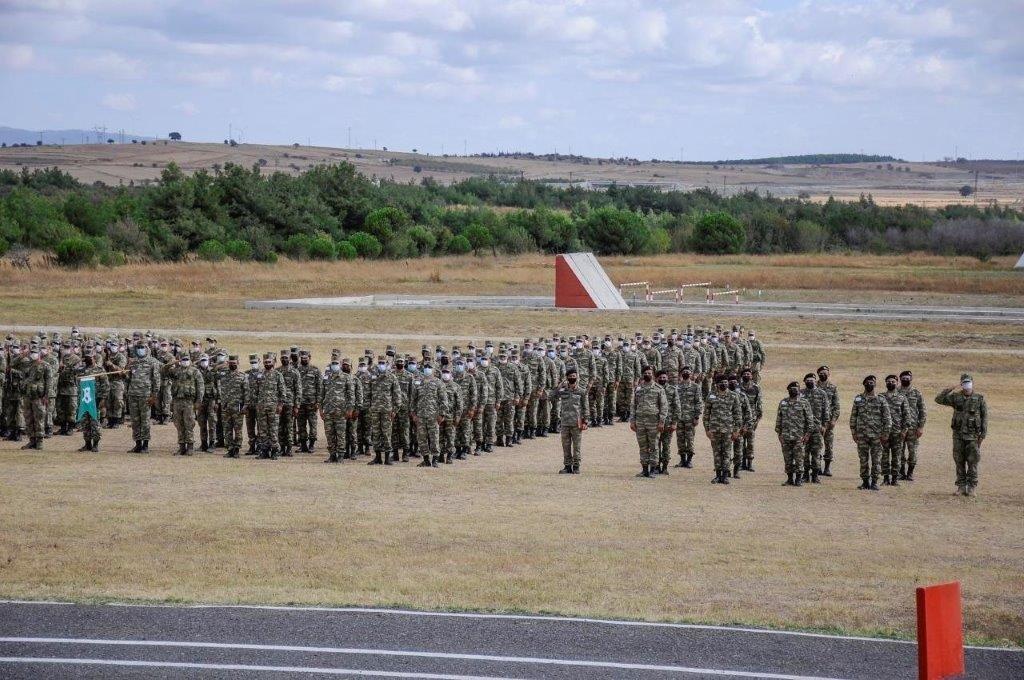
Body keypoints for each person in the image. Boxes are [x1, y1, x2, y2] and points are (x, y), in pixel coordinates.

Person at [935, 374, 987, 497]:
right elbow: (938, 399)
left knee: (973, 462)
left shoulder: (979, 399)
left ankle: (972, 487)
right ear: (961, 384)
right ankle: (961, 487)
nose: (967, 385)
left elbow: (985, 417)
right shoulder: (956, 397)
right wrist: (952, 388)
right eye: (964, 382)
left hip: (973, 436)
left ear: (972, 383)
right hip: (958, 435)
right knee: (959, 461)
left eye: (969, 382)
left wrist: (983, 434)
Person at [849, 375, 892, 491]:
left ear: (875, 384)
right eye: (868, 382)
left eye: (872, 382)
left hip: (876, 436)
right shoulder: (858, 399)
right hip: (862, 435)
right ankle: (864, 482)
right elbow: (853, 416)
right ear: (864, 384)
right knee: (863, 460)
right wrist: (853, 432)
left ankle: (874, 482)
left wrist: (885, 434)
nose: (870, 384)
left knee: (876, 460)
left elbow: (887, 419)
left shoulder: (881, 399)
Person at [163, 353, 204, 455]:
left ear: (189, 360)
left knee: (189, 424)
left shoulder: (195, 372)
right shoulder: (176, 371)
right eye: (183, 359)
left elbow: (200, 387)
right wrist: (172, 362)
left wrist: (198, 401)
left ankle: (190, 446)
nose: (185, 361)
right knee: (179, 424)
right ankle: (181, 446)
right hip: (177, 401)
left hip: (189, 402)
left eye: (186, 359)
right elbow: (163, 371)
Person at [704, 374, 742, 484]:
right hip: (714, 430)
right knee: (716, 453)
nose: (724, 384)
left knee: (726, 453)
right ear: (717, 384)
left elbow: (737, 414)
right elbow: (706, 415)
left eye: (726, 382)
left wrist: (736, 430)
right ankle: (717, 475)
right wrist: (707, 430)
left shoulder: (733, 396)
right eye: (722, 382)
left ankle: (725, 475)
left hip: (728, 430)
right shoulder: (711, 396)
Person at [631, 366, 667, 478]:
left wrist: (661, 422)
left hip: (653, 422)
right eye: (645, 373)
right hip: (640, 422)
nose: (647, 374)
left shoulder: (659, 388)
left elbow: (664, 406)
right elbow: (633, 405)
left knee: (654, 446)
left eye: (650, 373)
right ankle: (644, 470)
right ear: (643, 374)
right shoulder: (638, 388)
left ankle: (653, 470)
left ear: (653, 375)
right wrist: (632, 420)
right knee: (642, 446)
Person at [125, 341, 160, 454]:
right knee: (135, 421)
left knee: (145, 420)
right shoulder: (133, 362)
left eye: (142, 347)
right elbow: (128, 378)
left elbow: (156, 380)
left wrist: (154, 395)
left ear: (146, 348)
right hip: (133, 395)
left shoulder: (152, 362)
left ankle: (145, 444)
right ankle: (137, 444)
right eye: (138, 347)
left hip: (145, 395)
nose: (140, 349)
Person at [776, 381, 813, 486]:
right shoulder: (783, 402)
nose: (794, 390)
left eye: (796, 388)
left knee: (799, 458)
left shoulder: (804, 402)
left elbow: (810, 421)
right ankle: (789, 479)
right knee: (787, 458)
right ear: (788, 390)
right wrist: (779, 434)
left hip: (799, 436)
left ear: (799, 390)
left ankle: (798, 479)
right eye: (792, 388)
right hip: (786, 436)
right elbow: (779, 418)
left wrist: (807, 435)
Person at [555, 367, 588, 474]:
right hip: (565, 422)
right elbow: (552, 397)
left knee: (576, 446)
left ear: (577, 377)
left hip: (576, 423)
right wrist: (559, 386)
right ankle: (567, 466)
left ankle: (576, 466)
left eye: (574, 376)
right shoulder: (563, 390)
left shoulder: (581, 391)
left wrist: (585, 421)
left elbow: (585, 407)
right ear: (567, 378)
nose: (572, 378)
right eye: (570, 377)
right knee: (566, 446)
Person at [800, 372, 832, 484]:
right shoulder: (801, 393)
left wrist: (824, 426)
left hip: (817, 428)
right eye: (807, 380)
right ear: (805, 382)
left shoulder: (822, 393)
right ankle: (805, 475)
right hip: (803, 429)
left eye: (812, 380)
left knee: (816, 453)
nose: (810, 382)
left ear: (815, 381)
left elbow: (826, 411)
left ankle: (815, 475)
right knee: (804, 453)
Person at [880, 375, 910, 486]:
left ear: (897, 383)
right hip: (884, 433)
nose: (890, 383)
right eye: (888, 381)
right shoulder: (881, 397)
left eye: (893, 381)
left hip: (897, 432)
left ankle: (895, 479)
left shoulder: (902, 398)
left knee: (897, 456)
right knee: (884, 456)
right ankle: (886, 478)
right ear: (885, 383)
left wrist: (904, 430)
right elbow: (877, 415)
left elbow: (907, 416)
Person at [76, 348, 108, 452]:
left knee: (95, 423)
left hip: (95, 400)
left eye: (90, 357)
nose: (88, 359)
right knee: (85, 423)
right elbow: (77, 382)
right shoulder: (82, 370)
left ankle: (96, 444)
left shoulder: (99, 370)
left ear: (94, 358)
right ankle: (87, 444)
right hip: (85, 400)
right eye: (86, 358)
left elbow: (106, 386)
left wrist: (103, 399)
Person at [898, 370, 926, 481]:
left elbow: (923, 411)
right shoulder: (896, 391)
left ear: (911, 379)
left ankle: (910, 473)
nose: (906, 379)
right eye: (903, 378)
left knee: (912, 451)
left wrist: (921, 427)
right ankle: (901, 473)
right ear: (900, 379)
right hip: (899, 427)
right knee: (899, 450)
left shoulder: (916, 393)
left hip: (913, 428)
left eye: (908, 377)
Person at [218, 355, 248, 458]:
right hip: (226, 407)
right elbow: (213, 374)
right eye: (230, 363)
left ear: (238, 363)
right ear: (228, 363)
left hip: (238, 407)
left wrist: (245, 405)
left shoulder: (242, 376)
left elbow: (247, 392)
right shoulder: (223, 375)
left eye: (234, 363)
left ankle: (237, 449)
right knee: (227, 429)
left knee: (238, 429)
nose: (232, 365)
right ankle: (230, 449)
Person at [673, 366, 703, 468]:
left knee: (690, 439)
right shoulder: (677, 387)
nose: (686, 373)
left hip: (690, 417)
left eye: (688, 372)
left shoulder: (695, 387)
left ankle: (689, 460)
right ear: (681, 374)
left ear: (691, 374)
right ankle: (682, 460)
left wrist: (697, 417)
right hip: (679, 418)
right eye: (684, 372)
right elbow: (673, 403)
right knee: (680, 439)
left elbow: (698, 402)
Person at [817, 365, 839, 476]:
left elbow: (836, 406)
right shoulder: (813, 386)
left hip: (829, 422)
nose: (823, 374)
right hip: (817, 422)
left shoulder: (833, 388)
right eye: (821, 373)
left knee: (828, 446)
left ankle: (827, 468)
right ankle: (817, 468)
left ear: (829, 374)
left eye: (825, 373)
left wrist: (833, 420)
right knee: (816, 446)